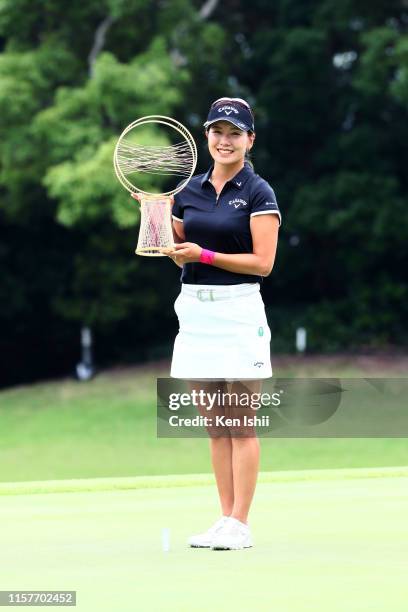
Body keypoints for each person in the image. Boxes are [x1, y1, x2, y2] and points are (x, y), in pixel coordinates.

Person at [169, 97, 281, 550]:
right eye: (218, 132)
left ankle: (241, 522)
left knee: (241, 423)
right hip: (194, 310)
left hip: (238, 312)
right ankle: (224, 517)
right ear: (207, 137)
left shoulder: (259, 192)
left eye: (235, 133)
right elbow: (170, 246)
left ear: (249, 140)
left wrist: (206, 255)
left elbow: (263, 263)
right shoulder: (189, 191)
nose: (225, 140)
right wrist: (151, 212)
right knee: (215, 424)